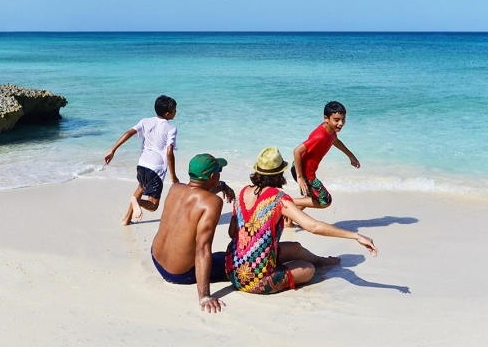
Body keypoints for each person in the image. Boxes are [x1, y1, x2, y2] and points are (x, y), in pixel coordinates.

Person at [225, 147, 377, 294]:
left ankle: (321, 260)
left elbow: (232, 233)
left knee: (296, 248)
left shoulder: (242, 192)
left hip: (232, 269)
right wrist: (356, 236)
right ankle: (305, 265)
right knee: (308, 269)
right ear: (280, 173)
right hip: (256, 280)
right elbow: (313, 226)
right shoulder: (278, 199)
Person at [151, 153, 236, 313]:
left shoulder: (175, 188)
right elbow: (202, 249)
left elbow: (198, 193)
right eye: (219, 171)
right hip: (179, 274)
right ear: (212, 176)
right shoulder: (213, 203)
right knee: (235, 261)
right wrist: (204, 296)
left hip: (156, 258)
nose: (219, 174)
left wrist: (222, 186)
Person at [104, 95, 180, 226]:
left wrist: (112, 150)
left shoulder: (145, 121)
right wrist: (173, 177)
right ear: (168, 114)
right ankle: (137, 202)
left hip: (142, 165)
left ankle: (126, 219)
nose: (176, 112)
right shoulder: (171, 129)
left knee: (141, 187)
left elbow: (128, 133)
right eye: (174, 110)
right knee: (154, 205)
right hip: (156, 169)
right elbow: (169, 153)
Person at [290, 101, 360, 224]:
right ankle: (286, 201)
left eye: (343, 119)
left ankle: (288, 220)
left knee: (312, 197)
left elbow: (335, 141)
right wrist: (300, 177)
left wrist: (351, 156)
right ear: (326, 118)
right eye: (337, 120)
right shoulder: (320, 136)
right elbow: (297, 151)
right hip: (304, 172)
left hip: (308, 171)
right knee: (325, 200)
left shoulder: (331, 130)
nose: (341, 123)